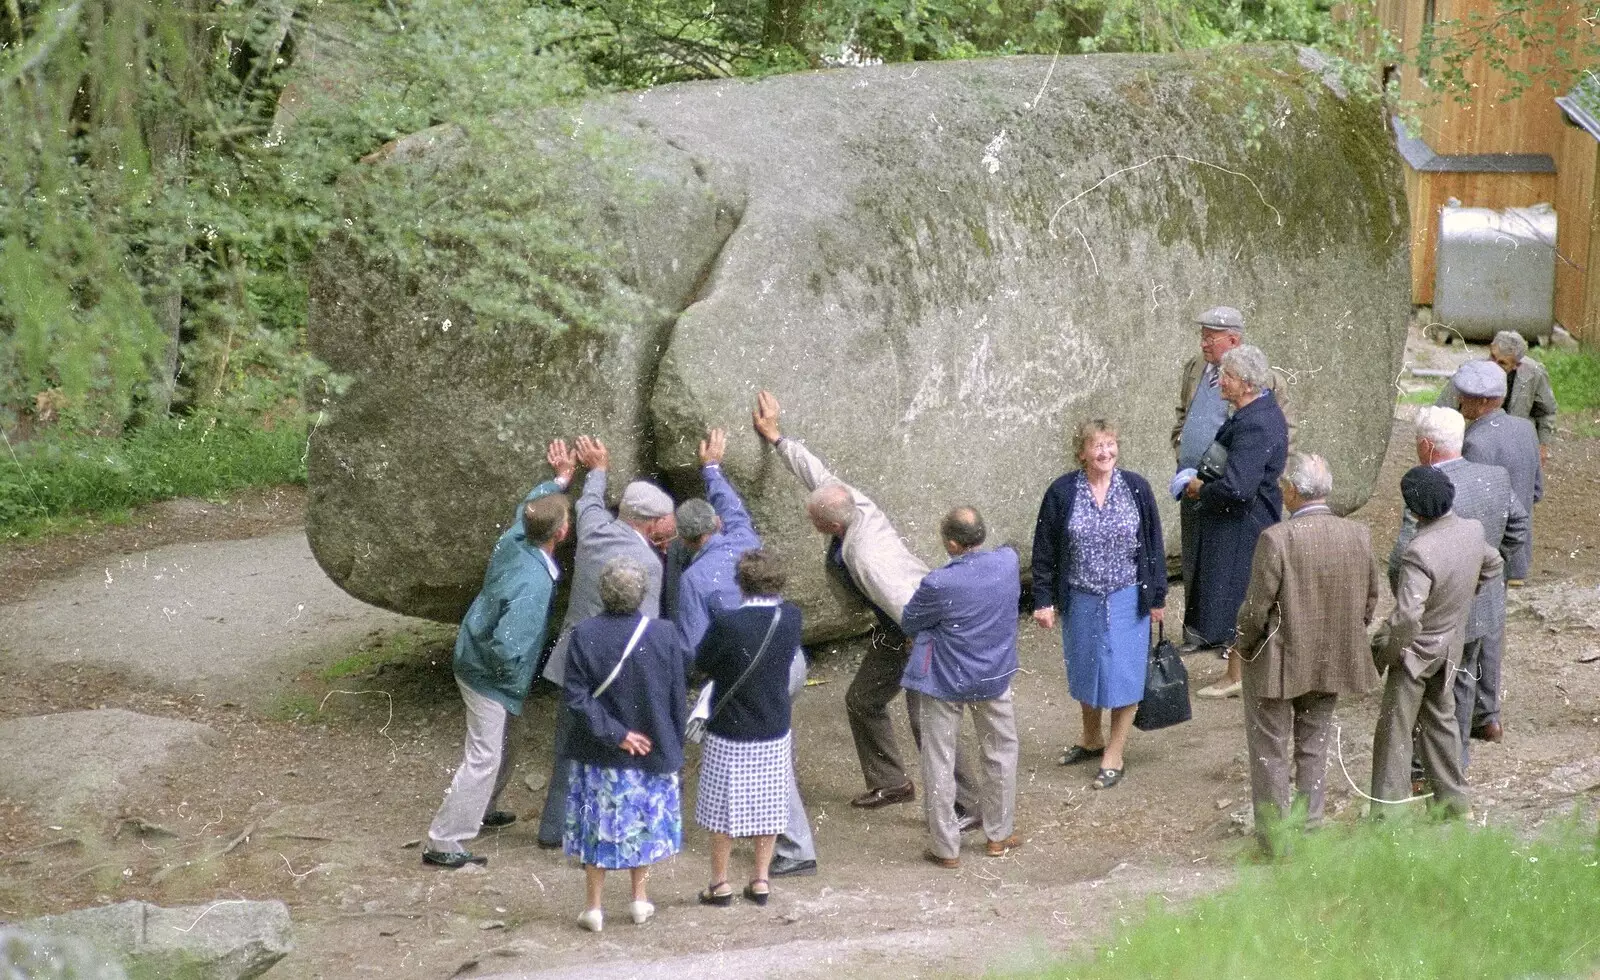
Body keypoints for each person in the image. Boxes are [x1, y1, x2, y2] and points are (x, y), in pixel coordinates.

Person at [752, 391, 979, 817]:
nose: (811, 524)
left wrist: (919, 642)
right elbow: (815, 474)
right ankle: (891, 782)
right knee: (863, 700)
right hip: (895, 628)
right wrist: (777, 438)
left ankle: (968, 806)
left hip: (922, 630)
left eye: (815, 522)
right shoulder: (852, 502)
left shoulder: (866, 558)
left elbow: (904, 602)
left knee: (927, 720)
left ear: (833, 524)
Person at [673, 427, 819, 879]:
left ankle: (794, 848)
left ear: (685, 539)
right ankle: (781, 846)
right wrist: (711, 468)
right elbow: (731, 505)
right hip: (788, 661)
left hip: (742, 669)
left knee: (751, 754)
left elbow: (695, 650)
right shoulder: (741, 535)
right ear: (715, 525)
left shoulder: (693, 582)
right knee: (771, 748)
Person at [422, 440, 573, 868]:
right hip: (489, 674)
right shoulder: (535, 584)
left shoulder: (515, 539)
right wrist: (509, 677)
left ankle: (481, 808)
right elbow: (509, 644)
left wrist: (559, 479)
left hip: (473, 655)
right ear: (561, 534)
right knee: (485, 754)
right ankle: (444, 841)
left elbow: (528, 506)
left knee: (507, 742)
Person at [1233, 453, 1382, 853]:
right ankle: (1311, 827)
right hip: (1332, 657)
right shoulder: (1358, 535)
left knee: (1270, 749)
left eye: (1284, 487)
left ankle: (1277, 840)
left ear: (1294, 491)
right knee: (1313, 744)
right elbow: (1370, 599)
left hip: (1279, 660)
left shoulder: (1276, 539)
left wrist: (1241, 643)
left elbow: (1256, 607)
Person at [537, 436, 677, 848]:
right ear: (649, 524)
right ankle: (615, 829)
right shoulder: (648, 564)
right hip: (619, 669)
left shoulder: (595, 529)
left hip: (575, 659)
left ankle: (552, 829)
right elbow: (644, 627)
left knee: (567, 746)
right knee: (619, 748)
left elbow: (588, 503)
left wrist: (597, 470)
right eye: (666, 521)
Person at [1031, 419, 1167, 791]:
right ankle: (1091, 739)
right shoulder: (1061, 492)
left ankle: (1115, 752)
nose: (1105, 452)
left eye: (1110, 444)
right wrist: (1043, 599)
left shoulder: (1136, 487)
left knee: (1124, 674)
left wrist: (1157, 597)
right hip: (1080, 596)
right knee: (1086, 671)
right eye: (1097, 446)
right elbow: (1043, 548)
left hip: (1127, 597)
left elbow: (1153, 544)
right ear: (1082, 453)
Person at [1390, 407, 1527, 761]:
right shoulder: (1496, 477)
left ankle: (1423, 769)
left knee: (1426, 689)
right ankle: (1458, 760)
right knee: (1463, 680)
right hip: (1481, 603)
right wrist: (1482, 574)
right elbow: (1518, 529)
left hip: (1434, 612)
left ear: (1425, 445)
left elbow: (1402, 558)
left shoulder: (1426, 487)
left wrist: (1408, 599)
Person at [562, 557, 691, 932]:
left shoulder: (583, 633)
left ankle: (594, 908)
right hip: (652, 747)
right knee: (644, 826)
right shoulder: (665, 633)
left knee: (596, 828)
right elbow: (676, 696)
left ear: (602, 592)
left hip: (599, 751)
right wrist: (674, 744)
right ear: (642, 594)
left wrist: (616, 734)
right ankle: (638, 899)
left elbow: (575, 696)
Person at [1371, 466, 1502, 819]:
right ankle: (1455, 805)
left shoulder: (1419, 550)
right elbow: (1494, 563)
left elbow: (1408, 617)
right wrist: (1459, 603)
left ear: (1415, 510)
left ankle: (1388, 817)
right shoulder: (1472, 531)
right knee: (1441, 725)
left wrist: (1386, 653)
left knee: (1394, 735)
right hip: (1448, 648)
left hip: (1414, 655)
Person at [1171, 306, 1296, 654]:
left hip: (1232, 487)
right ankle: (1200, 632)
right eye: (1202, 336)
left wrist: (1269, 474)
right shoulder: (1195, 368)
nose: (1203, 344)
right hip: (1197, 480)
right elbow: (1183, 413)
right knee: (1197, 554)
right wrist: (1180, 448)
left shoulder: (1263, 383)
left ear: (1233, 339)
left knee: (1235, 565)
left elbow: (1282, 431)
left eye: (1210, 338)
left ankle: (1231, 638)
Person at [902, 506, 1022, 868]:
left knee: (938, 759)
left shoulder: (939, 583)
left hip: (945, 679)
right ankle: (998, 836)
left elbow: (910, 621)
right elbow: (1011, 548)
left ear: (951, 544)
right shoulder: (1008, 563)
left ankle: (945, 847)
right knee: (1001, 753)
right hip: (994, 676)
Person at [694, 549, 803, 907]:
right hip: (773, 723)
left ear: (740, 582)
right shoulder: (790, 618)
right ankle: (760, 879)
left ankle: (720, 883)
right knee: (770, 806)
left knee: (722, 808)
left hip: (731, 726)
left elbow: (702, 663)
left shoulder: (728, 623)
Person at [1184, 344, 1290, 698]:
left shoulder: (1255, 423)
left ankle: (1237, 676)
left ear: (1246, 384)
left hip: (1243, 523)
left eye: (1227, 377)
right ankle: (1237, 672)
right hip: (1247, 520)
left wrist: (1201, 489)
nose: (1221, 383)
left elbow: (1239, 487)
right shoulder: (1259, 412)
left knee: (1239, 597)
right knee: (1241, 596)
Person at [1455, 359, 1542, 587]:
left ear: (1483, 401)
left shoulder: (1475, 442)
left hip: (1490, 563)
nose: (1460, 400)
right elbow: (1536, 490)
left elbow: (1471, 507)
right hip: (1520, 557)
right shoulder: (1527, 428)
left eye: (1466, 395)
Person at [1435, 330, 1557, 463]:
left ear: (1517, 365)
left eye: (1502, 363)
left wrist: (1542, 446)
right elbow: (1442, 410)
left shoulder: (1534, 374)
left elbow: (1547, 411)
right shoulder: (1469, 372)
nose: (1494, 365)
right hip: (1473, 442)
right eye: (1492, 357)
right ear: (1490, 348)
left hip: (1513, 443)